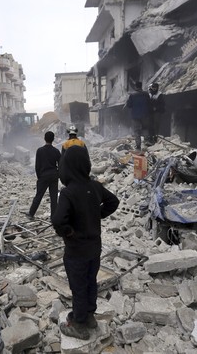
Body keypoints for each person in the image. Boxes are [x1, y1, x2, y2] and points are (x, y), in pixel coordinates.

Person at [52, 145, 120, 340]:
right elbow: (113, 202)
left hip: (76, 250)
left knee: (78, 286)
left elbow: (57, 220)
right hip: (94, 248)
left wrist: (68, 231)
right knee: (90, 282)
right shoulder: (95, 186)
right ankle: (89, 315)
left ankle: (79, 324)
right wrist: (96, 215)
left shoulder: (68, 192)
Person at [26, 131, 61, 220]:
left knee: (39, 195)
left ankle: (31, 214)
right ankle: (54, 217)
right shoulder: (56, 151)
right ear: (53, 139)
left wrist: (39, 177)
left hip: (43, 176)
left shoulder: (40, 150)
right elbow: (61, 164)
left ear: (44, 138)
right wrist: (57, 174)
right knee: (54, 198)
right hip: (53, 176)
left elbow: (37, 166)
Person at [124, 81, 153, 150]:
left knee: (137, 131)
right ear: (141, 86)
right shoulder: (146, 94)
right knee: (145, 128)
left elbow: (129, 105)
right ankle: (147, 143)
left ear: (135, 87)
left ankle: (138, 146)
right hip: (145, 115)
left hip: (135, 116)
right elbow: (150, 104)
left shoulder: (132, 95)